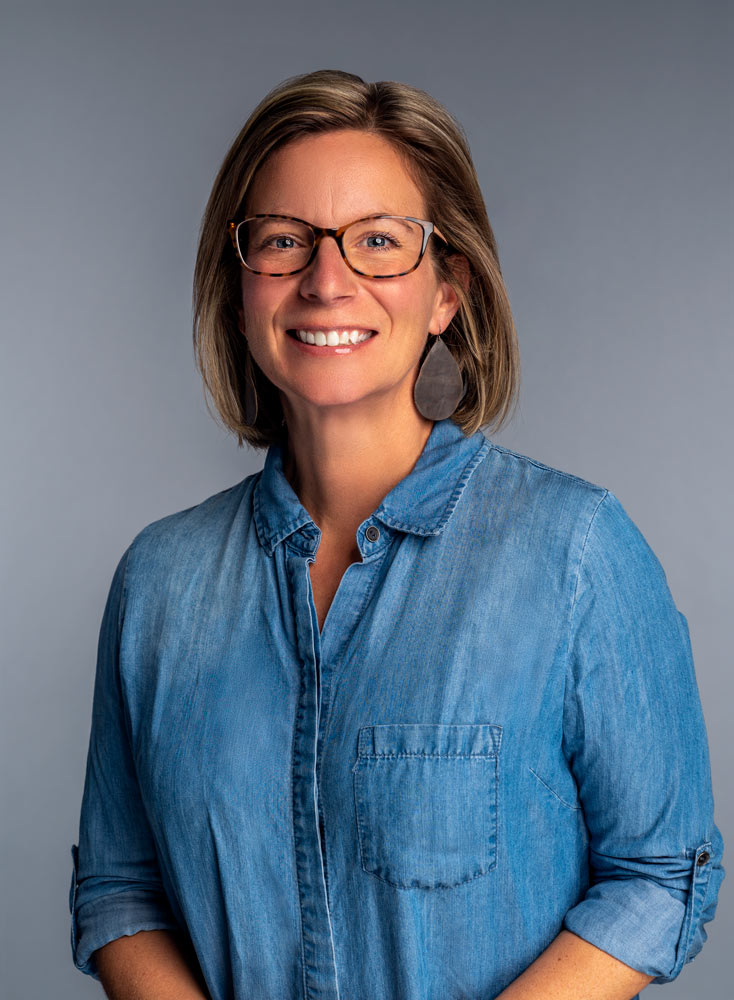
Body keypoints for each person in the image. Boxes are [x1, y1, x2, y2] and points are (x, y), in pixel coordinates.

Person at [69, 69, 724, 1000]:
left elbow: (661, 878)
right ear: (242, 284)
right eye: (285, 241)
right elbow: (120, 888)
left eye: (379, 241)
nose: (327, 281)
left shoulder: (575, 552)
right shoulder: (160, 583)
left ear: (448, 292)